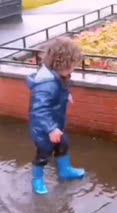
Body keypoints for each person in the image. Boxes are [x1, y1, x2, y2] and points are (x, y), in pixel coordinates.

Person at [26, 37, 86, 195]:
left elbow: (62, 89)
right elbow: (39, 110)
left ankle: (65, 170)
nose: (73, 70)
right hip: (44, 128)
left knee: (63, 145)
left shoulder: (59, 77)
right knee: (43, 153)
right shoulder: (47, 86)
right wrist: (51, 129)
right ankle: (37, 179)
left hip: (56, 125)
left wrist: (66, 96)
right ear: (64, 64)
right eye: (72, 66)